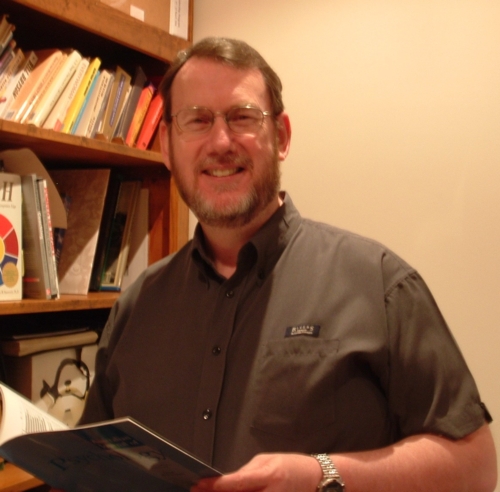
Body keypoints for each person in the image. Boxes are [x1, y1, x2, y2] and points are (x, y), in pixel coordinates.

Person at [80, 37, 497, 491]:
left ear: (281, 137)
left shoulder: (379, 285)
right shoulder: (137, 306)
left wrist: (324, 477)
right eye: (197, 120)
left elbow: (476, 467)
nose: (220, 141)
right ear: (166, 145)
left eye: (242, 117)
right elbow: (93, 466)